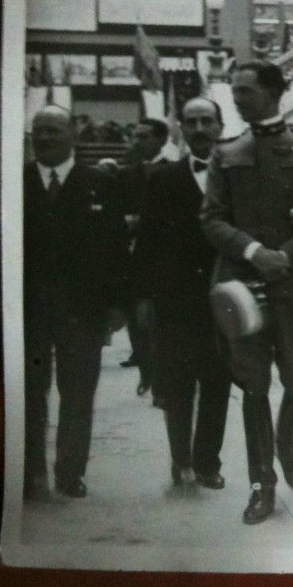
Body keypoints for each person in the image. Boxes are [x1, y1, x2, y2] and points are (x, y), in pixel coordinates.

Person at [201, 61, 293, 525]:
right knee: (253, 383)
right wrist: (255, 251)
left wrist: (291, 253)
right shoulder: (225, 153)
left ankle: (286, 443)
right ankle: (263, 482)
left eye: (246, 91)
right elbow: (212, 219)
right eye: (234, 91)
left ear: (274, 92)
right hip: (242, 285)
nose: (236, 99)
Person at [23, 106, 129, 500]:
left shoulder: (99, 183)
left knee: (78, 392)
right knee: (30, 392)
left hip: (82, 310)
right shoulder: (18, 183)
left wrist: (118, 304)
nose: (44, 138)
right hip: (29, 310)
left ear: (71, 134)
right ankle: (32, 473)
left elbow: (117, 247)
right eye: (38, 132)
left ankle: (70, 472)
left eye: (52, 130)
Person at [132, 98, 232, 490]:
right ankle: (181, 459)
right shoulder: (162, 179)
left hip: (224, 296)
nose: (200, 128)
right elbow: (148, 241)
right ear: (181, 131)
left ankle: (208, 462)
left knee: (218, 379)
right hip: (175, 299)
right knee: (178, 383)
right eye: (192, 122)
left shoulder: (237, 176)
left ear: (221, 125)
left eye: (208, 121)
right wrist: (142, 296)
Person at [118, 117, 173, 394]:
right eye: (135, 136)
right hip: (135, 256)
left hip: (166, 257)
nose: (136, 141)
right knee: (136, 317)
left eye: (144, 136)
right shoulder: (126, 174)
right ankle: (147, 373)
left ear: (162, 139)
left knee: (164, 318)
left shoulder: (175, 172)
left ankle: (163, 375)